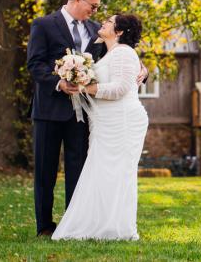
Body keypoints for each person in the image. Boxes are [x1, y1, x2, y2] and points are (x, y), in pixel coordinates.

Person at [26, 0, 145, 237]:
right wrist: (58, 83)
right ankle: (45, 226)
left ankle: (75, 224)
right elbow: (35, 64)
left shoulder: (97, 30)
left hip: (84, 114)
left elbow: (119, 58)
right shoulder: (43, 25)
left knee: (78, 169)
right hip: (48, 109)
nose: (95, 11)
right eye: (93, 5)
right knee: (45, 170)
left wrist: (142, 70)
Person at [52, 14, 149, 241]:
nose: (102, 22)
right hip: (104, 122)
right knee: (101, 172)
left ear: (120, 31)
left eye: (109, 21)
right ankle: (98, 226)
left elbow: (120, 89)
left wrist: (84, 86)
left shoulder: (124, 52)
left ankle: (117, 228)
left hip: (122, 121)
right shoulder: (108, 52)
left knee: (117, 174)